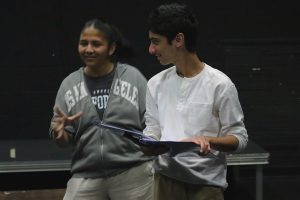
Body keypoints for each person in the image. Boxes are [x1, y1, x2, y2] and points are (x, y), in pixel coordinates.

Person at [143, 3, 248, 200]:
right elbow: (152, 130)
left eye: (155, 41)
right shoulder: (155, 84)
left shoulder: (220, 84)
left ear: (178, 40)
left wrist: (209, 141)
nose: (151, 49)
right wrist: (147, 143)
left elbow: (239, 139)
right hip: (165, 181)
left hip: (206, 186)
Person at [49, 18, 153, 200]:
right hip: (86, 175)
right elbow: (63, 138)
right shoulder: (69, 84)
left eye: (96, 44)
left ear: (111, 48)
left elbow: (152, 122)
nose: (88, 49)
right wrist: (59, 133)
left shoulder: (133, 77)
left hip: (133, 173)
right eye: (83, 43)